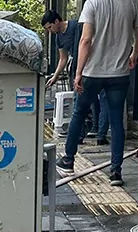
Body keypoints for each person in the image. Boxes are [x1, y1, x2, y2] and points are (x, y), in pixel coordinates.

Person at [57, 0, 138, 187]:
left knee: (79, 114)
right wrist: (133, 56)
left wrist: (78, 72)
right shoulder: (133, 4)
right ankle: (115, 172)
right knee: (116, 122)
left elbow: (85, 40)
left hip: (92, 73)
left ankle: (68, 160)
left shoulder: (92, 3)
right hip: (119, 73)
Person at [42, 10, 108, 144]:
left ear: (56, 21)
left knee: (94, 99)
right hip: (77, 68)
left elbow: (87, 42)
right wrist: (55, 76)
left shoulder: (76, 25)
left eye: (50, 27)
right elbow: (63, 58)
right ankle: (83, 131)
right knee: (81, 100)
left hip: (91, 66)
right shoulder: (58, 37)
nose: (50, 30)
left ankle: (96, 130)